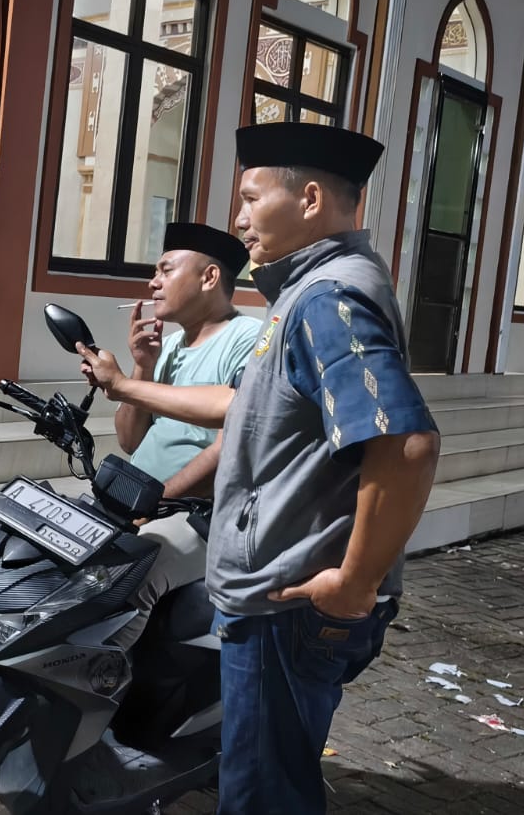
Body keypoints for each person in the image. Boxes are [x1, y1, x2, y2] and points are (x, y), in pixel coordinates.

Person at [77, 122, 441, 815]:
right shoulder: (305, 295)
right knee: (263, 779)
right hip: (276, 588)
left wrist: (354, 583)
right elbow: (245, 405)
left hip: (291, 599)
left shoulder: (329, 297)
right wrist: (128, 384)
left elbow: (405, 445)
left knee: (263, 796)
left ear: (310, 199)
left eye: (250, 198)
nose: (239, 220)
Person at [107, 222, 260, 650]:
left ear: (209, 277)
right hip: (141, 503)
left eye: (166, 270)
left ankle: (101, 681)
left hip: (198, 514)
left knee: (133, 580)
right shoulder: (170, 346)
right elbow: (130, 441)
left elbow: (230, 450)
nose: (153, 283)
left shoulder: (247, 340)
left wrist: (155, 504)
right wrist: (142, 365)